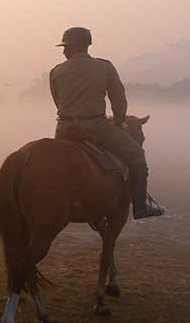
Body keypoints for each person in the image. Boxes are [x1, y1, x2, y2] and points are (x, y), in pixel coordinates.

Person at [49, 27, 165, 219]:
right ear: (86, 45)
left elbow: (57, 101)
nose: (63, 51)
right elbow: (119, 101)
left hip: (64, 129)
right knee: (137, 156)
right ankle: (140, 207)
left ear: (73, 47)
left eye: (65, 47)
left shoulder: (56, 71)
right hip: (95, 127)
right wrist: (119, 123)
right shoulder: (105, 67)